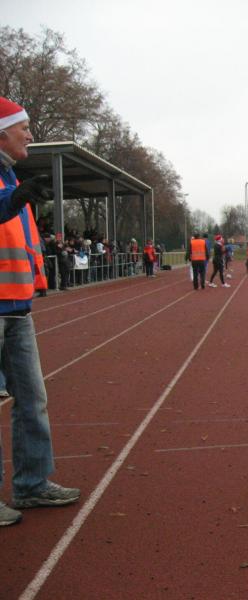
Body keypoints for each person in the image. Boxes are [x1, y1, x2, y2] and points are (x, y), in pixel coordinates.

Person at [0, 97, 81, 526]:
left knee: (32, 399)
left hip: (17, 307)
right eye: (24, 127)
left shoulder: (11, 177)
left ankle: (31, 484)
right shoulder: (10, 187)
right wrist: (14, 199)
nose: (30, 134)